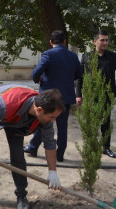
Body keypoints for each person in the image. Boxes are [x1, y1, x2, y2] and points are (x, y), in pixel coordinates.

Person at [0, 84, 65, 209]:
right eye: (52, 117)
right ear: (39, 110)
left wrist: (52, 172)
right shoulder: (4, 105)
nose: (53, 121)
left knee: (17, 156)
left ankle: (21, 195)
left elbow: (50, 143)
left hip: (18, 119)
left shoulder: (44, 117)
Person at [23, 30, 82, 162]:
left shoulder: (48, 54)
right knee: (62, 127)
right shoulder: (73, 56)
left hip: (48, 97)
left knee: (42, 122)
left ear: (51, 42)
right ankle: (59, 155)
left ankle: (33, 147)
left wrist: (39, 79)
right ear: (65, 42)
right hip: (66, 96)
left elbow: (35, 74)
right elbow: (79, 74)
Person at [76, 30, 116, 158]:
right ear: (95, 41)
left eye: (106, 40)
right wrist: (78, 95)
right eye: (102, 40)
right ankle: (91, 147)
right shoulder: (86, 56)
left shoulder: (112, 56)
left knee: (105, 122)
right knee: (91, 122)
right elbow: (80, 78)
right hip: (91, 95)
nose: (105, 42)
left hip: (106, 95)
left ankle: (106, 147)